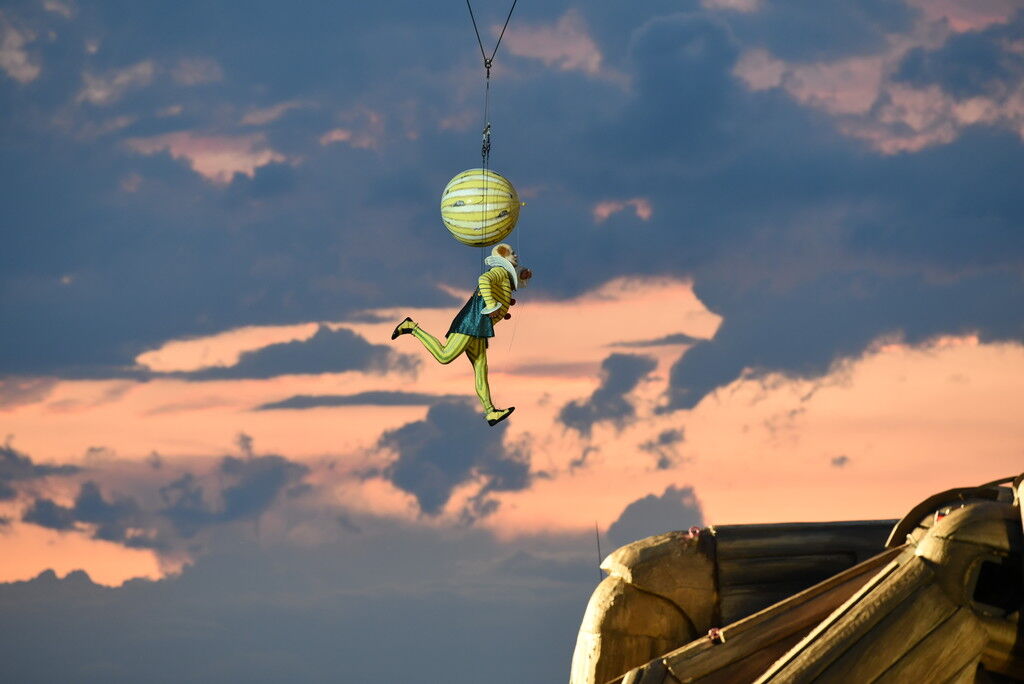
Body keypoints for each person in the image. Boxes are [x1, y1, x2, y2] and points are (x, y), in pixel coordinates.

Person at [391, 243, 532, 426]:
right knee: (445, 356)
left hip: (481, 326)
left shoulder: (505, 274)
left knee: (481, 368)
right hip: (471, 322)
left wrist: (522, 274)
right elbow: (484, 280)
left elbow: (512, 279)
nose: (516, 255)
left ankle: (490, 412)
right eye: (511, 253)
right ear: (503, 258)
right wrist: (491, 305)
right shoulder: (499, 271)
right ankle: (412, 327)